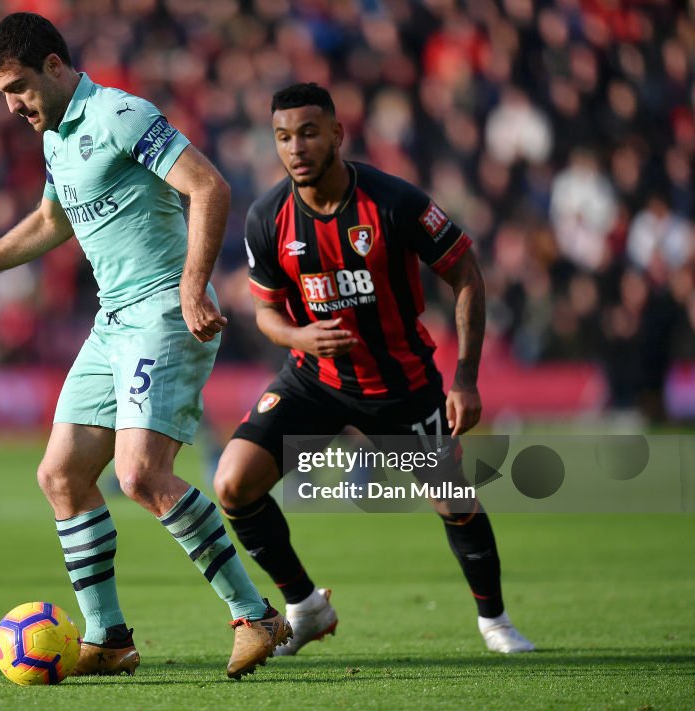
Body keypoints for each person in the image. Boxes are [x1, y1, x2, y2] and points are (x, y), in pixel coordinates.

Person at [0, 13, 290, 680]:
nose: (12, 107)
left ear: (56, 67)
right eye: (3, 95)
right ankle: (108, 636)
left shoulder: (121, 114)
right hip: (113, 323)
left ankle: (256, 614)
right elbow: (48, 222)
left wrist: (192, 284)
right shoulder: (57, 137)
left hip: (162, 313)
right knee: (60, 475)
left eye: (18, 88)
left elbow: (208, 186)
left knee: (141, 475)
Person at [213, 83, 535, 656]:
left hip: (400, 389)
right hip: (314, 380)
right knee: (233, 484)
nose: (296, 148)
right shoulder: (268, 217)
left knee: (453, 501)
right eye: (284, 137)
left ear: (338, 134)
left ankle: (496, 621)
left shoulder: (395, 202)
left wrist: (465, 377)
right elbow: (265, 312)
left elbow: (465, 274)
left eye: (309, 132)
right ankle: (306, 608)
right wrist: (300, 336)